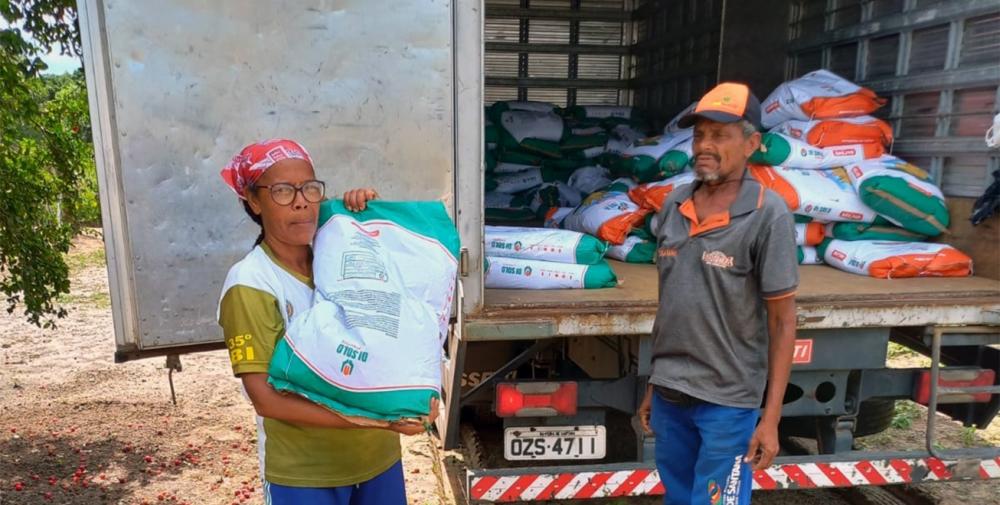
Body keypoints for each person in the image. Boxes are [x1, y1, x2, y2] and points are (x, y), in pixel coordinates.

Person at [217, 139, 434, 505]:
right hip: (305, 475)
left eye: (310, 188)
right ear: (254, 201)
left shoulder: (343, 254)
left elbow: (406, 317)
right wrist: (376, 419)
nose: (301, 201)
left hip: (378, 462)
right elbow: (267, 400)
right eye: (282, 191)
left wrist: (367, 217)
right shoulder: (251, 282)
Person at [638, 83, 799, 505]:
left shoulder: (768, 214)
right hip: (671, 393)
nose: (704, 146)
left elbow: (783, 323)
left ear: (751, 144)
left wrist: (771, 417)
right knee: (678, 498)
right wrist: (656, 382)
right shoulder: (674, 204)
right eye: (699, 135)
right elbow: (671, 303)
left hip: (727, 402)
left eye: (719, 135)